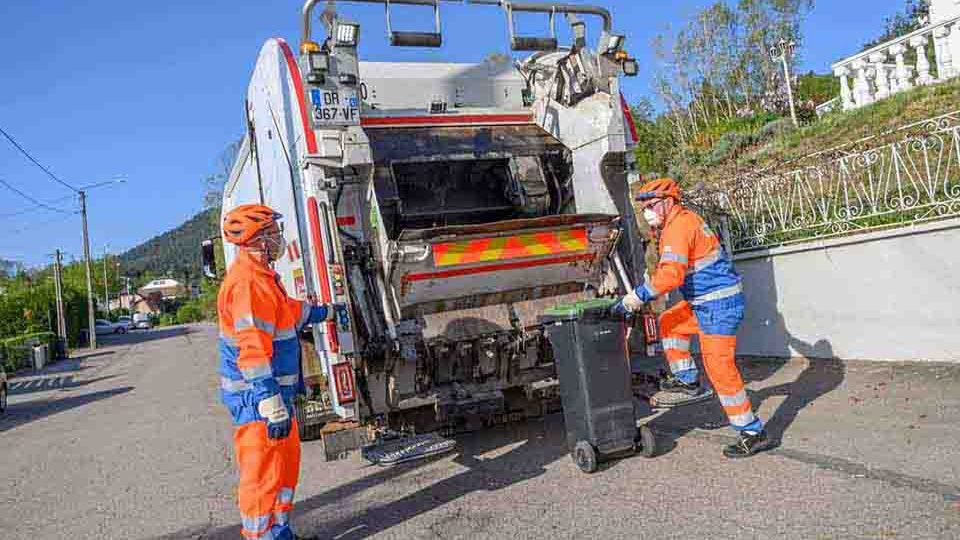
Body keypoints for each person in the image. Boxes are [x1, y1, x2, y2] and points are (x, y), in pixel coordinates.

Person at [614, 178, 775, 458]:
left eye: (651, 205)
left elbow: (671, 275)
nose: (648, 212)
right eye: (645, 208)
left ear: (668, 202)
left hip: (718, 306)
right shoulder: (679, 222)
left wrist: (636, 297)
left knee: (720, 370)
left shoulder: (679, 227)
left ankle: (752, 432)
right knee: (670, 323)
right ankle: (687, 379)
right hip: (706, 303)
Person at [218, 204, 342, 539]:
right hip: (258, 401)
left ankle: (279, 532)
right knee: (262, 477)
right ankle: (261, 535)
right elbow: (253, 350)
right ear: (257, 240)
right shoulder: (247, 285)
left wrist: (324, 312)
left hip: (273, 398)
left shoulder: (262, 279)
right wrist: (271, 406)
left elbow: (287, 313)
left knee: (283, 470)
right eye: (273, 232)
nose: (278, 238)